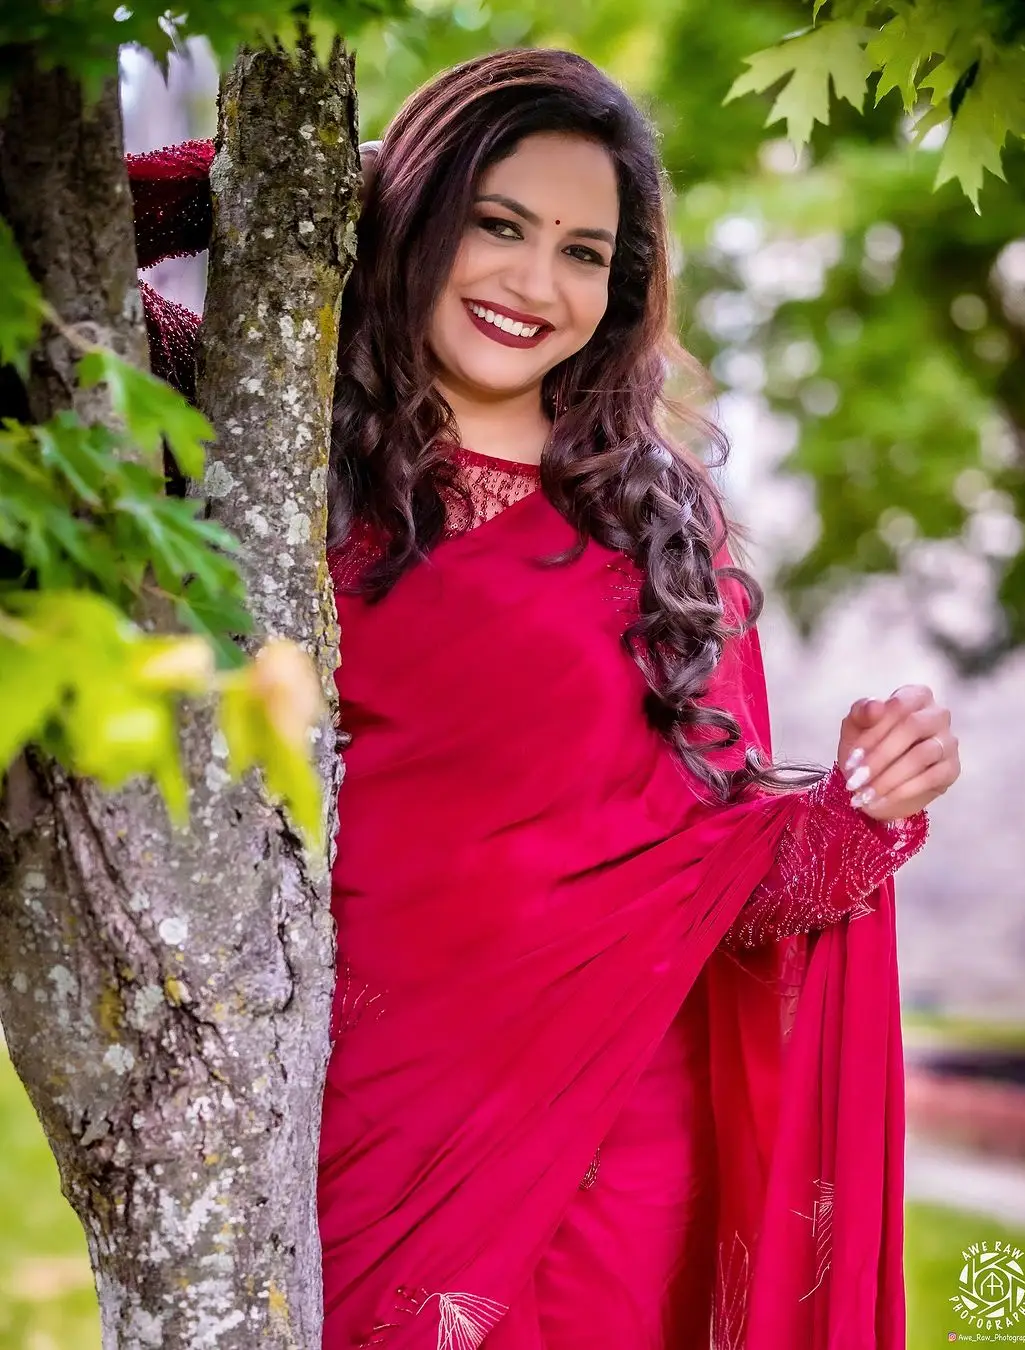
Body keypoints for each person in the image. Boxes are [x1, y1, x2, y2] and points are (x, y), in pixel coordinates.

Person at [130, 45, 960, 1350]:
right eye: (495, 223)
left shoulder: (661, 529)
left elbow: (722, 878)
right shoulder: (259, 424)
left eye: (585, 251)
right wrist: (327, 183)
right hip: (344, 1118)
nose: (533, 281)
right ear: (413, 212)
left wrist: (861, 809)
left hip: (611, 1162)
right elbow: (48, 241)